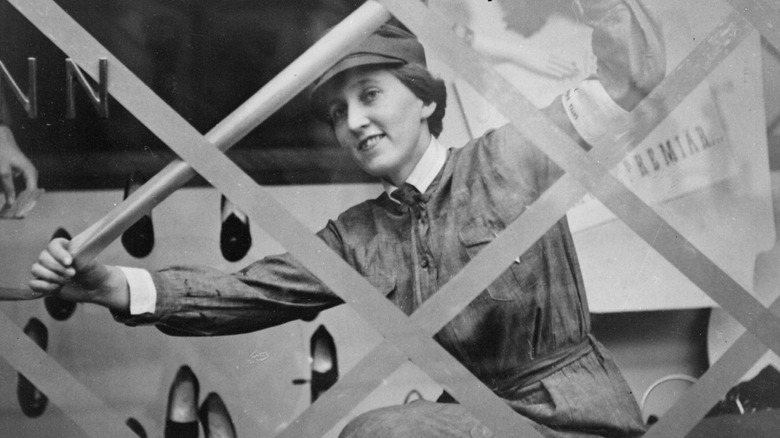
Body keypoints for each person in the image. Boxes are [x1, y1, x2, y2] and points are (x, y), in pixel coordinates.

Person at [30, 0, 665, 436]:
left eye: (369, 95)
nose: (354, 121)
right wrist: (111, 286)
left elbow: (630, 79)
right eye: (337, 112)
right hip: (479, 418)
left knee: (377, 433)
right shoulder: (360, 236)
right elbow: (247, 291)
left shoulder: (509, 156)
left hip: (578, 419)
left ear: (423, 98)